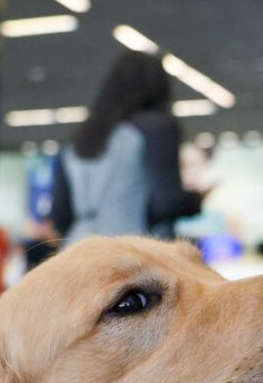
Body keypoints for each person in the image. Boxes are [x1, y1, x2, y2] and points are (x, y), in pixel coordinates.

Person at [50, 50, 203, 242]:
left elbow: (60, 217)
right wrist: (195, 200)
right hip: (133, 252)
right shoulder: (155, 128)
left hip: (78, 251)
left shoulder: (77, 140)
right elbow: (167, 203)